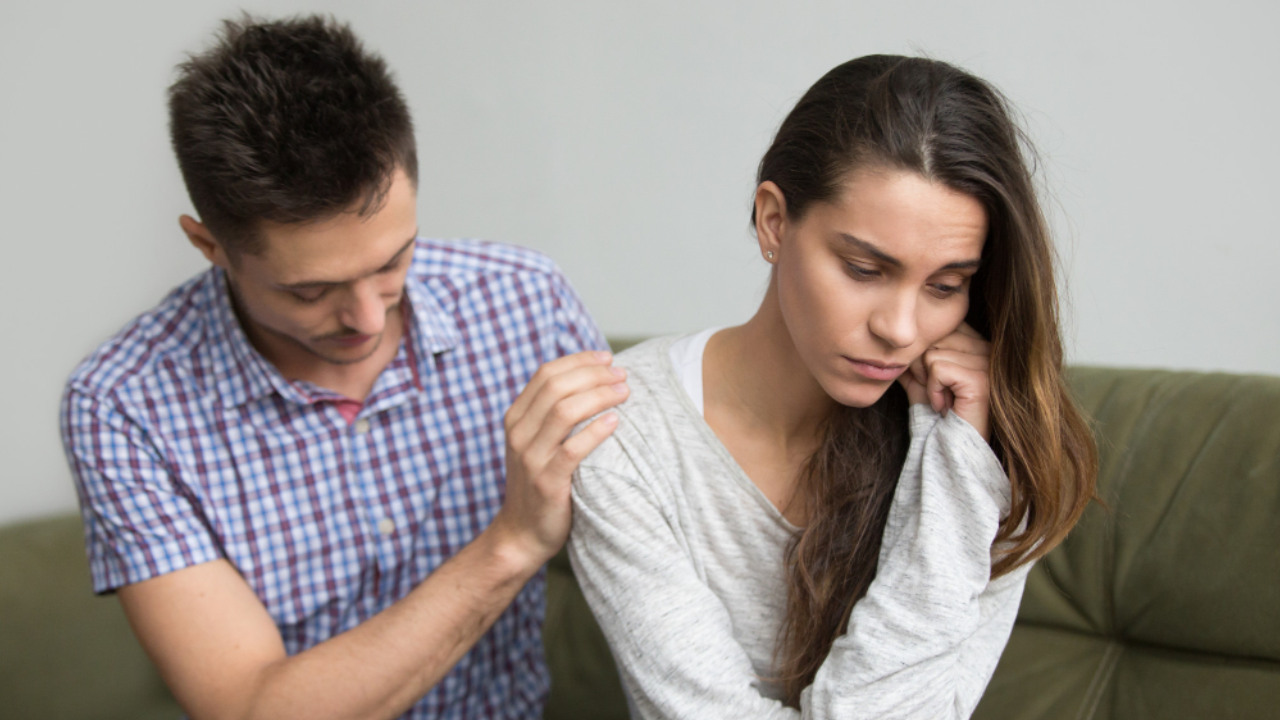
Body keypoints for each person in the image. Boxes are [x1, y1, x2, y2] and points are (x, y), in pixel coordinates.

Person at [59, 15, 628, 720]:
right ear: (209, 245)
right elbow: (249, 708)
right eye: (309, 291)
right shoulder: (123, 405)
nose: (367, 316)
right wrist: (511, 544)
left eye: (393, 261)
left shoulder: (522, 298)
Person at [568, 55, 1098, 719]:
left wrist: (959, 471)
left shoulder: (982, 444)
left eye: (945, 286)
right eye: (864, 268)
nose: (900, 329)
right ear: (773, 222)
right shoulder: (624, 435)